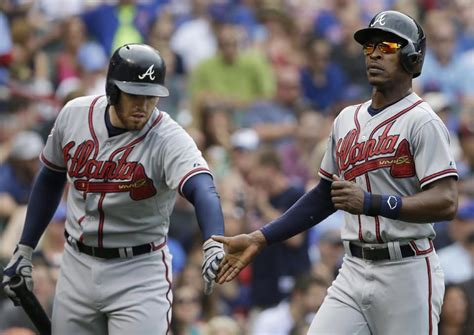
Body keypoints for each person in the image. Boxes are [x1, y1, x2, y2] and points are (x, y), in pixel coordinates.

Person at [213, 10, 459, 334]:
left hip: (407, 268)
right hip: (353, 268)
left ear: (412, 56)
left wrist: (372, 203)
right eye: (368, 47)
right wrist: (262, 237)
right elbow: (323, 195)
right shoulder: (346, 119)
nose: (373, 54)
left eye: (385, 46)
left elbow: (446, 200)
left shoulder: (422, 121)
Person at [2, 43, 226, 335]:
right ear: (112, 89)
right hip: (76, 264)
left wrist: (213, 240)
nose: (143, 106)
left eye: (151, 97)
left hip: (139, 271)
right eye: (135, 94)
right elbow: (50, 177)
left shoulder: (169, 138)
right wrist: (25, 247)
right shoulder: (75, 115)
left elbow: (203, 189)